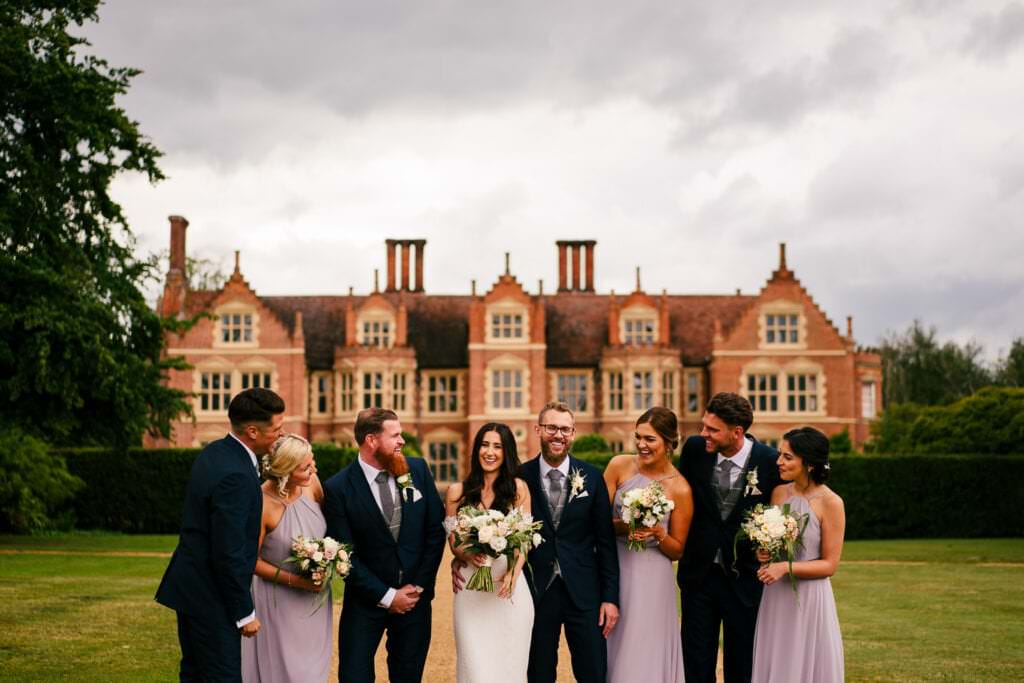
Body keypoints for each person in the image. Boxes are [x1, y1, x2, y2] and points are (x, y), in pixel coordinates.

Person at [156, 388, 285, 682]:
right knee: (221, 676)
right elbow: (228, 551)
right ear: (252, 431)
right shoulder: (236, 476)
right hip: (211, 597)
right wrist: (244, 612)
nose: (280, 434)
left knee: (194, 674)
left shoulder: (216, 451)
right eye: (276, 429)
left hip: (190, 589)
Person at [322, 408, 445, 683]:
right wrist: (387, 596)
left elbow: (434, 532)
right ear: (371, 441)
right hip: (365, 603)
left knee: (408, 676)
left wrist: (418, 587)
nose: (402, 441)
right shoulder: (338, 487)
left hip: (415, 601)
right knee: (354, 676)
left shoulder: (418, 470)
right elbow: (344, 554)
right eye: (395, 435)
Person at [677, 392, 781, 683]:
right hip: (698, 576)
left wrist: (772, 548)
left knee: (743, 662)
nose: (703, 434)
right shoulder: (695, 450)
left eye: (712, 429)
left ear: (737, 432)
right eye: (703, 426)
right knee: (696, 661)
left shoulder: (770, 462)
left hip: (744, 578)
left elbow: (782, 513)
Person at [518, 402, 620, 683]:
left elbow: (606, 543)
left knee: (593, 672)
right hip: (537, 590)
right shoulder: (519, 477)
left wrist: (610, 598)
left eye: (565, 429)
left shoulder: (592, 477)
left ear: (573, 433)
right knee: (539, 672)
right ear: (538, 429)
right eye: (551, 427)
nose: (558, 435)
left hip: (584, 591)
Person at [603, 407, 693, 683]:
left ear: (668, 442)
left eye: (650, 439)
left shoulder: (680, 488)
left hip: (654, 576)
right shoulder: (619, 465)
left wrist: (658, 533)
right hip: (617, 564)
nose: (641, 445)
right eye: (638, 437)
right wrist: (625, 525)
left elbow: (677, 549)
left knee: (645, 643)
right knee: (613, 639)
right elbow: (598, 522)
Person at [752, 427, 845, 682]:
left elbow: (829, 565)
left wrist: (785, 568)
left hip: (809, 597)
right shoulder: (780, 493)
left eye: (788, 457)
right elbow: (773, 544)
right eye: (780, 455)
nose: (779, 461)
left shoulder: (831, 503)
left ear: (810, 463)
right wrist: (765, 553)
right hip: (776, 595)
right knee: (779, 660)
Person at [446, 423, 534, 682]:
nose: (490, 452)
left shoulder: (518, 489)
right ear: (476, 449)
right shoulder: (457, 492)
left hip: (508, 591)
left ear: (507, 452)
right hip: (471, 591)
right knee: (474, 668)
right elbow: (454, 540)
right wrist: (466, 555)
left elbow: (523, 540)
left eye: (497, 446)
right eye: (485, 445)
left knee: (510, 668)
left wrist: (513, 575)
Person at [241, 433, 332, 682]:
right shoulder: (261, 504)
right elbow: (250, 561)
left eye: (311, 462)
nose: (314, 469)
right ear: (286, 471)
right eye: (305, 467)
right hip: (277, 601)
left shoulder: (312, 485)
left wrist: (329, 559)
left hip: (315, 602)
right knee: (286, 672)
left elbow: (327, 530)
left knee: (313, 672)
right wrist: (296, 580)